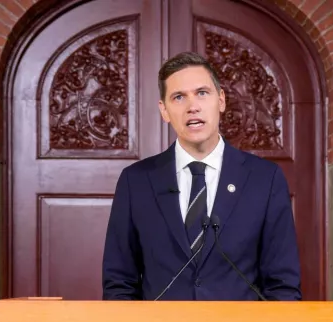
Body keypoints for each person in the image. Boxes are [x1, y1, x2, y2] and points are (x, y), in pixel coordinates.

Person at [101, 51, 301, 301]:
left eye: (202, 93)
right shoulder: (136, 181)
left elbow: (283, 285)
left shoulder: (265, 179)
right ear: (164, 110)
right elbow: (119, 283)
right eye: (179, 97)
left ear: (221, 100)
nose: (192, 107)